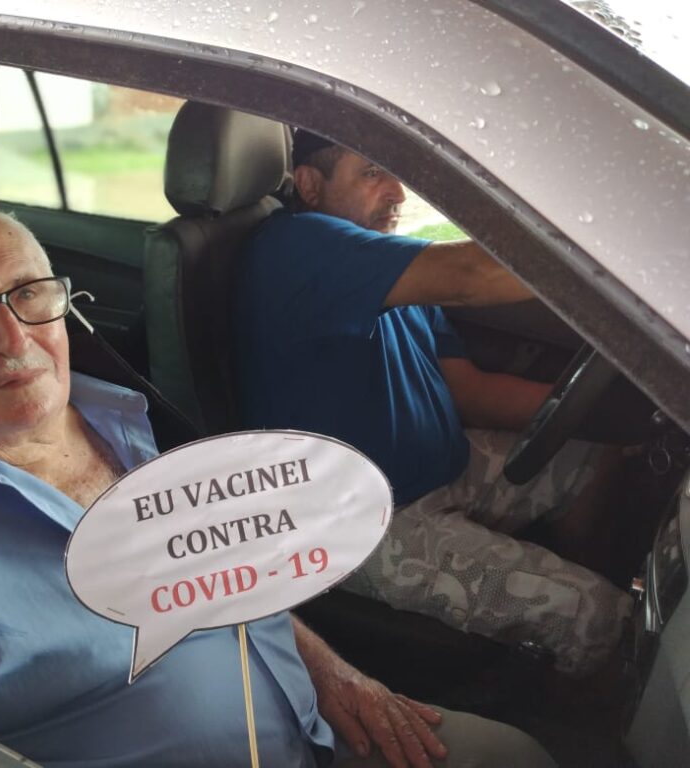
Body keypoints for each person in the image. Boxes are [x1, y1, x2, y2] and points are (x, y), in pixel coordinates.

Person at [0, 197, 554, 768]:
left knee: (515, 756)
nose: (14, 339)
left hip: (315, 732)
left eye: (29, 294)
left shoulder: (121, 419)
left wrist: (334, 675)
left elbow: (219, 576)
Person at [232, 130, 632, 678]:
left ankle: (556, 639)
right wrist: (620, 244)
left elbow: (471, 392)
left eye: (397, 172)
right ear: (309, 184)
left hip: (444, 466)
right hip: (371, 524)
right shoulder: (298, 244)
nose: (398, 191)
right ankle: (572, 698)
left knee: (595, 459)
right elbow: (475, 275)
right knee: (600, 616)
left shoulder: (385, 262)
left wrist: (611, 419)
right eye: (372, 172)